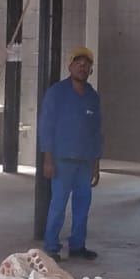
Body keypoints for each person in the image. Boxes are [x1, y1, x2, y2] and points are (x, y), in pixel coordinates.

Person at [38, 46, 102, 261]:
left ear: (90, 71)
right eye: (79, 64)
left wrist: (96, 163)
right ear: (70, 67)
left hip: (84, 163)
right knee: (58, 205)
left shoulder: (92, 96)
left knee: (82, 206)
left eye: (87, 65)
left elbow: (96, 132)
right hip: (61, 161)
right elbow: (46, 126)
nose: (82, 68)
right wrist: (47, 158)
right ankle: (51, 246)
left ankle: (77, 245)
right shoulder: (57, 93)